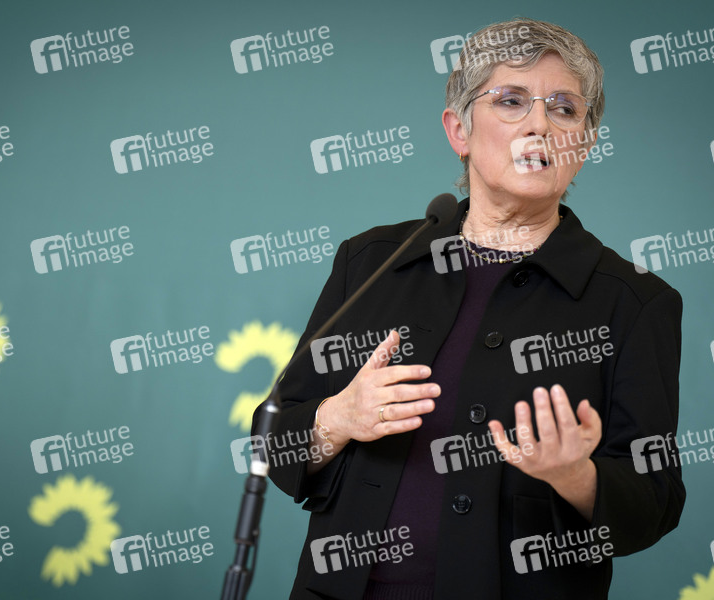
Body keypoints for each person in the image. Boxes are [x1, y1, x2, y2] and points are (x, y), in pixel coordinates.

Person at [259, 18, 684, 600]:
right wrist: (338, 418)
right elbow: (271, 440)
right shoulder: (371, 262)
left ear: (583, 145)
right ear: (459, 130)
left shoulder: (635, 302)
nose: (539, 124)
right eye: (511, 101)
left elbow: (655, 504)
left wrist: (576, 475)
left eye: (564, 109)